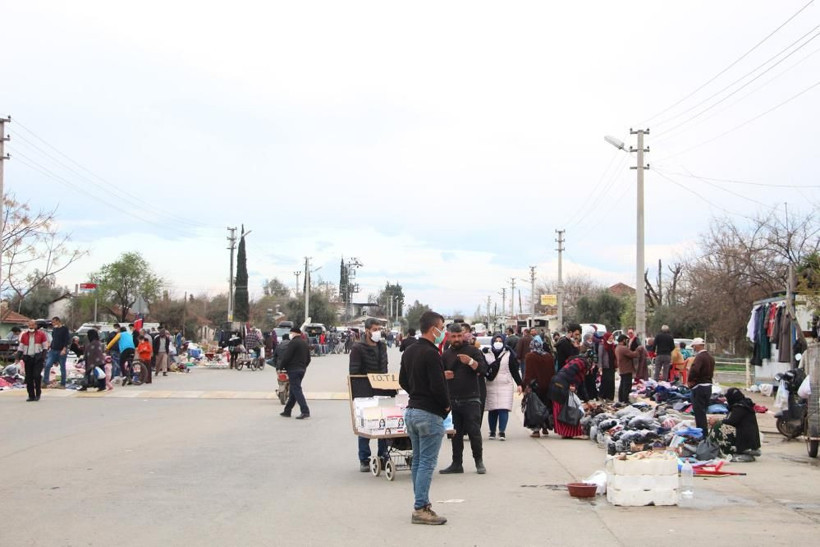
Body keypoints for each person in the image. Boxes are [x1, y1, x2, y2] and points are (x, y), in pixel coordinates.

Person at [399, 310, 449, 526]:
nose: (444, 332)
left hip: (412, 411)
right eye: (442, 328)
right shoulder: (432, 353)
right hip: (429, 413)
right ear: (434, 329)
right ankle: (421, 507)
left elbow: (402, 380)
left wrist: (416, 392)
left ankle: (421, 503)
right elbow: (439, 386)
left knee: (419, 461)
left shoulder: (409, 350)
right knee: (427, 463)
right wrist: (446, 405)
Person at [440, 324, 487, 474]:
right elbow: (438, 374)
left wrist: (471, 362)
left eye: (459, 336)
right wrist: (444, 375)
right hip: (453, 399)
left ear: (464, 335)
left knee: (474, 432)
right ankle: (456, 463)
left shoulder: (473, 351)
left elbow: (483, 370)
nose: (457, 339)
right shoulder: (446, 355)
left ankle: (479, 461)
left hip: (471, 398)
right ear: (449, 337)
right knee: (455, 434)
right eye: (454, 336)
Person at [349, 318, 389, 472]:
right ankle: (364, 459)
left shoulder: (382, 346)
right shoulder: (357, 348)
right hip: (364, 391)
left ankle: (383, 456)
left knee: (383, 424)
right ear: (367, 331)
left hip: (382, 390)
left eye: (379, 329)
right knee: (365, 425)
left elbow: (384, 367)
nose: (378, 332)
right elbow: (354, 372)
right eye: (375, 329)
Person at [484, 334, 522, 441]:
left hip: (505, 385)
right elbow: (483, 370)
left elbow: (514, 370)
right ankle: (492, 431)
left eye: (500, 341)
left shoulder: (508, 354)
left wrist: (519, 384)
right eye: (496, 341)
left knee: (503, 409)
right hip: (490, 385)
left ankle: (502, 431)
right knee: (492, 409)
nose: (498, 343)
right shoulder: (487, 354)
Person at [709, 387, 761, 462]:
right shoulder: (743, 404)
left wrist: (717, 420)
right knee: (720, 424)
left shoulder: (740, 407)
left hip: (745, 439)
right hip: (748, 437)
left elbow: (731, 421)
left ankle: (726, 451)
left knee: (719, 427)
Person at [549, 355, 589, 438]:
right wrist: (571, 384)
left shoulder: (576, 364)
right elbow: (570, 372)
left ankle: (565, 433)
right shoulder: (581, 362)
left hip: (557, 384)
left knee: (561, 410)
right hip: (560, 386)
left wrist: (587, 400)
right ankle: (570, 433)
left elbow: (582, 385)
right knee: (567, 410)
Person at [523, 342, 555, 438]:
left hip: (535, 387)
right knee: (546, 406)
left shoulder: (530, 356)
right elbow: (553, 371)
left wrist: (525, 385)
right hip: (548, 386)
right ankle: (545, 427)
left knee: (535, 408)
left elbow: (528, 372)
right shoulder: (549, 357)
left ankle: (536, 430)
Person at [279, 327, 311, 419]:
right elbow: (308, 358)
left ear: (294, 333)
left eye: (291, 332)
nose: (290, 334)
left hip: (293, 369)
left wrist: (281, 366)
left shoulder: (293, 343)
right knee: (293, 390)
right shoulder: (304, 343)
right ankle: (287, 410)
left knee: (296, 390)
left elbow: (287, 356)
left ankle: (305, 411)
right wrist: (304, 366)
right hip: (302, 370)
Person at [687, 337, 715, 434]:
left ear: (698, 346)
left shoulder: (699, 357)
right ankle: (704, 432)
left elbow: (695, 370)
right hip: (708, 386)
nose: (693, 348)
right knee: (703, 411)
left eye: (694, 346)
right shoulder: (710, 357)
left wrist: (690, 380)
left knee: (699, 412)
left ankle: (702, 433)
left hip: (699, 387)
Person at [17, 319, 49, 401]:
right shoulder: (24, 335)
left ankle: (38, 393)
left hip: (38, 358)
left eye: (32, 325)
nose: (31, 327)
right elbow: (21, 347)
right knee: (29, 378)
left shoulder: (41, 334)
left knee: (36, 376)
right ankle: (31, 395)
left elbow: (45, 347)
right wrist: (18, 357)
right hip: (27, 358)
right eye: (29, 325)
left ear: (36, 326)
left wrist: (43, 357)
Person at [43, 316, 70, 388]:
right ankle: (45, 381)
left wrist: (64, 349)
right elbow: (54, 339)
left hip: (61, 350)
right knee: (47, 365)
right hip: (53, 350)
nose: (53, 324)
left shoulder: (64, 329)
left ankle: (63, 383)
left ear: (58, 321)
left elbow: (66, 340)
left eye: (54, 322)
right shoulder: (54, 330)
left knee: (62, 367)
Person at [615, 334, 639, 404]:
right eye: (626, 340)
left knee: (622, 384)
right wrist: (638, 350)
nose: (627, 341)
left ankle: (621, 399)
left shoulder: (617, 348)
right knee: (627, 385)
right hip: (626, 369)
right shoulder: (623, 348)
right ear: (623, 340)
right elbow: (633, 355)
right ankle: (625, 399)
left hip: (622, 368)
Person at [597, 332, 617, 401]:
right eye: (610, 338)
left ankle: (610, 397)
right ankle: (602, 395)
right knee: (605, 381)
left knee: (611, 382)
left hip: (612, 366)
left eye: (612, 338)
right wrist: (600, 366)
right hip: (605, 366)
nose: (611, 340)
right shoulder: (602, 345)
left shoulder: (613, 345)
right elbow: (600, 356)